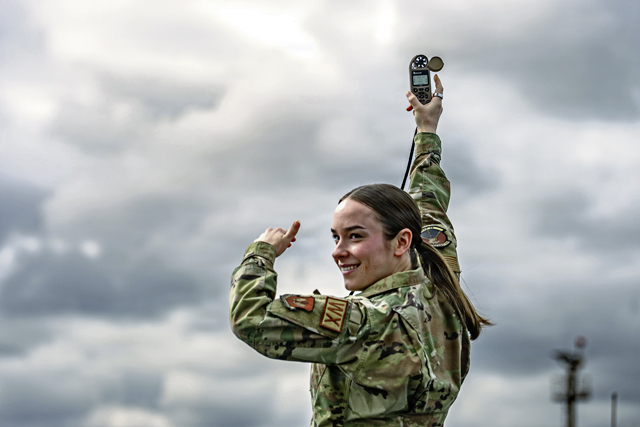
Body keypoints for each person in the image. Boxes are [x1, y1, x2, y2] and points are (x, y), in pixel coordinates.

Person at [229, 75, 490, 426]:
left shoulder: (368, 322)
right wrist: (427, 129)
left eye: (354, 236)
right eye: (335, 237)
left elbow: (250, 319)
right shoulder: (439, 284)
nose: (338, 252)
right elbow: (428, 204)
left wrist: (261, 253)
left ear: (402, 242)